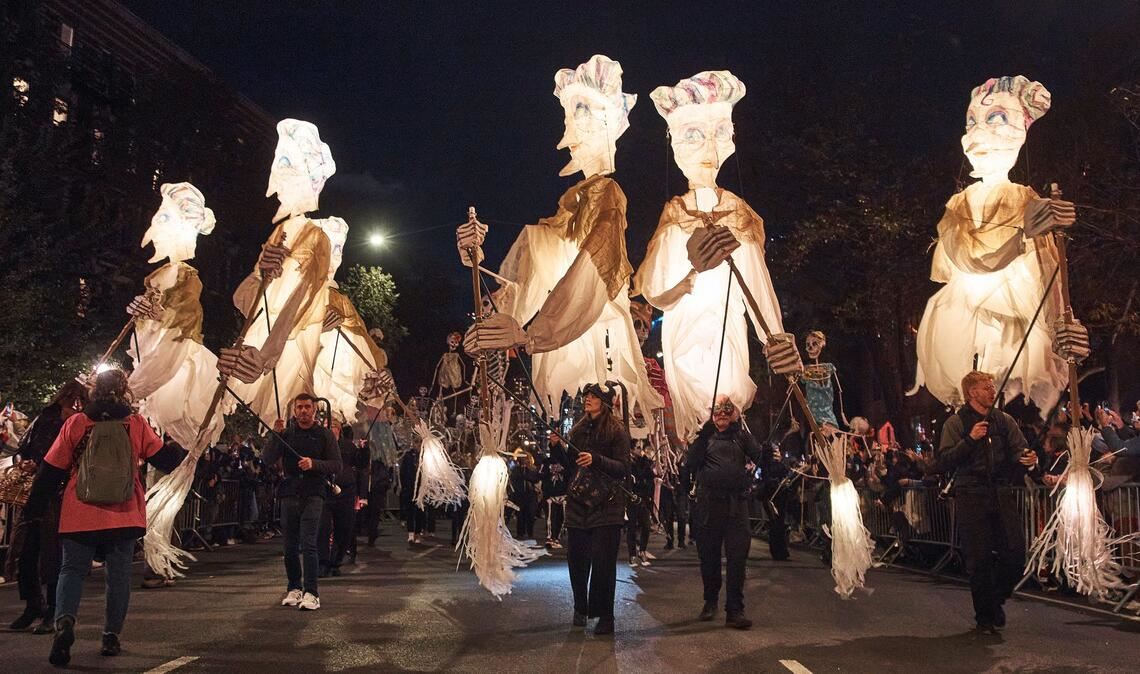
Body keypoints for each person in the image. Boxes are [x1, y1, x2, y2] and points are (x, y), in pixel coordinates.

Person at [23, 369, 186, 666]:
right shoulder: (135, 424)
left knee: (71, 570)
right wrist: (183, 445)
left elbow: (51, 470)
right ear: (124, 391)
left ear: (94, 391)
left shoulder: (77, 422)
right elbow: (165, 459)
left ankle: (64, 622)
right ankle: (111, 635)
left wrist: (33, 508)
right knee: (119, 577)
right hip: (124, 514)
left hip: (80, 512)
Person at [936, 371, 1039, 635]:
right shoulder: (956, 423)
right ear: (972, 392)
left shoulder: (1004, 421)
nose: (992, 390)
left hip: (1000, 490)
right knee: (978, 558)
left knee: (1015, 553)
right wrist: (970, 439)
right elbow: (944, 461)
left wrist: (1029, 459)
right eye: (986, 387)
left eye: (993, 386)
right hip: (970, 492)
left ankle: (995, 599)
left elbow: (1020, 450)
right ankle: (985, 616)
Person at [7, 380, 88, 634]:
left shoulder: (80, 423)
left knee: (53, 556)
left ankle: (54, 608)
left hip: (60, 493)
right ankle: (33, 605)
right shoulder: (46, 417)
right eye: (69, 396)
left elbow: (76, 458)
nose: (72, 401)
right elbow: (22, 449)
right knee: (26, 551)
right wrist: (26, 463)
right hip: (36, 492)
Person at [686, 396, 767, 629]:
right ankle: (710, 601)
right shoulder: (705, 437)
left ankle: (735, 609)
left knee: (737, 558)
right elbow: (691, 462)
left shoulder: (742, 437)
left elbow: (759, 456)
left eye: (726, 412)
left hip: (736, 505)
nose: (721, 415)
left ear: (733, 414)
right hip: (709, 506)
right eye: (717, 412)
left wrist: (766, 453)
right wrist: (702, 437)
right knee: (709, 557)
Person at [556, 383, 630, 635]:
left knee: (603, 565)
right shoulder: (577, 430)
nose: (587, 399)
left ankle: (605, 616)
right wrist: (557, 447)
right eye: (586, 395)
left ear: (604, 402)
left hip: (607, 506)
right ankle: (581, 606)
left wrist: (596, 459)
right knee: (576, 562)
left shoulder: (617, 431)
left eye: (593, 396)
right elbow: (570, 467)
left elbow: (623, 468)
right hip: (579, 505)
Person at [264, 393, 341, 612]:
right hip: (289, 493)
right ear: (294, 410)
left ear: (315, 410)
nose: (304, 411)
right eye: (300, 407)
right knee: (289, 546)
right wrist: (274, 435)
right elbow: (267, 459)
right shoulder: (286, 434)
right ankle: (294, 587)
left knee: (308, 543)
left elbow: (336, 465)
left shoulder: (324, 435)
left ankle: (312, 591)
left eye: (308, 407)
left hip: (314, 493)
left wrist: (314, 464)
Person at [318, 421, 366, 577]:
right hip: (325, 490)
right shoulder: (320, 445)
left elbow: (361, 464)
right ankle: (323, 562)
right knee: (323, 528)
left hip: (346, 491)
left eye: (331, 426)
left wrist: (364, 451)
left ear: (338, 429)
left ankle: (336, 561)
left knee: (344, 528)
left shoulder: (348, 446)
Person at [540, 431, 571, 548]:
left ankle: (556, 537)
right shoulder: (546, 462)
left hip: (563, 494)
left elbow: (569, 472)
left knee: (561, 518)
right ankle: (550, 537)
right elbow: (541, 475)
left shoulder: (566, 462)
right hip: (550, 495)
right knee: (550, 518)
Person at [626, 445, 655, 566]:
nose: (640, 450)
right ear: (631, 449)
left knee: (646, 526)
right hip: (632, 499)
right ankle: (632, 554)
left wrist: (645, 460)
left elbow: (650, 477)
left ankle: (642, 550)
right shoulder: (628, 463)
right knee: (631, 527)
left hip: (644, 499)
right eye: (637, 447)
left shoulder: (644, 462)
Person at [399, 445, 426, 544]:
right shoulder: (408, 456)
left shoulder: (424, 455)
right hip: (410, 487)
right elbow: (403, 471)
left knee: (419, 512)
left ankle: (418, 533)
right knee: (410, 511)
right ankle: (411, 533)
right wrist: (404, 485)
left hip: (420, 488)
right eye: (416, 442)